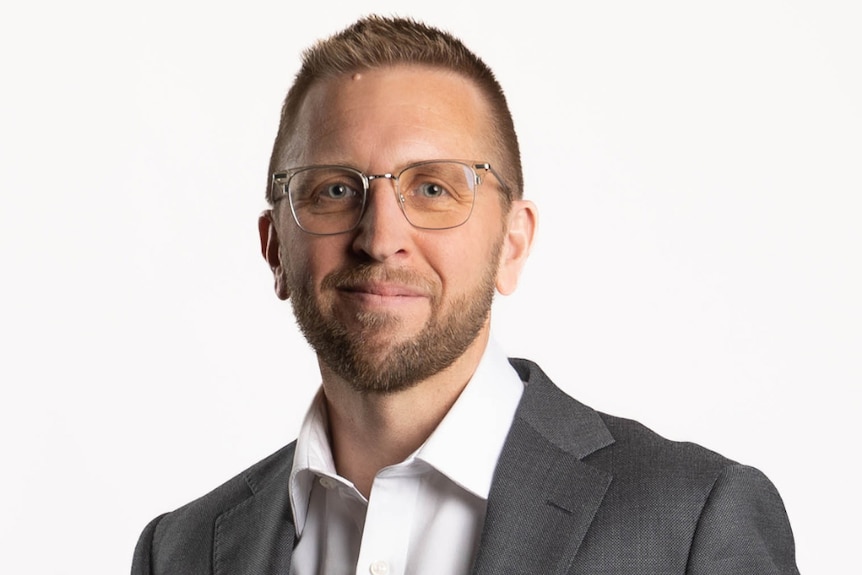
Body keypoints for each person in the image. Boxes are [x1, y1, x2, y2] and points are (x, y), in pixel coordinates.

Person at [132, 15, 799, 575]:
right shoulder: (181, 551)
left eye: (433, 188)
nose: (380, 236)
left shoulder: (693, 523)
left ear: (512, 242)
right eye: (335, 189)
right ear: (276, 246)